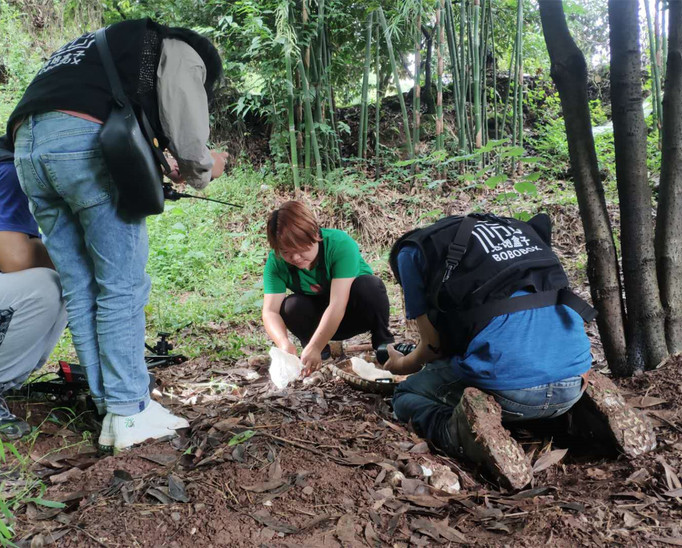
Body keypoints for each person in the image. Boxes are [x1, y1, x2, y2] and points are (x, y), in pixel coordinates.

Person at [8, 18, 229, 451]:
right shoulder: (182, 51)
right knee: (121, 286)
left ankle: (110, 406)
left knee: (81, 286)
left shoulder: (103, 47)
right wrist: (207, 165)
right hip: (83, 143)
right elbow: (189, 140)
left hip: (27, 148)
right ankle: (129, 411)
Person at [382, 213, 594, 490]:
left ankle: (460, 432)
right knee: (537, 381)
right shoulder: (519, 232)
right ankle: (577, 418)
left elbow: (432, 347)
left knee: (405, 395)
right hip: (575, 376)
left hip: (509, 390)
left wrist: (400, 365)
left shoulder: (410, 253)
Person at [262, 201, 395, 376]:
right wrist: (284, 344)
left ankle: (383, 344)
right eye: (285, 252)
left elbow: (338, 303)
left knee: (370, 286)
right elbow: (270, 311)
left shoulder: (339, 245)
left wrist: (315, 346)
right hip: (317, 320)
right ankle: (318, 354)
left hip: (352, 314)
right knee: (291, 305)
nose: (295, 257)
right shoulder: (276, 262)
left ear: (314, 234)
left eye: (299, 249)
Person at [0, 135, 67, 440]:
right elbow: (13, 258)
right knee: (47, 283)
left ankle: (9, 380)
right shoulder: (12, 171)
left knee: (64, 279)